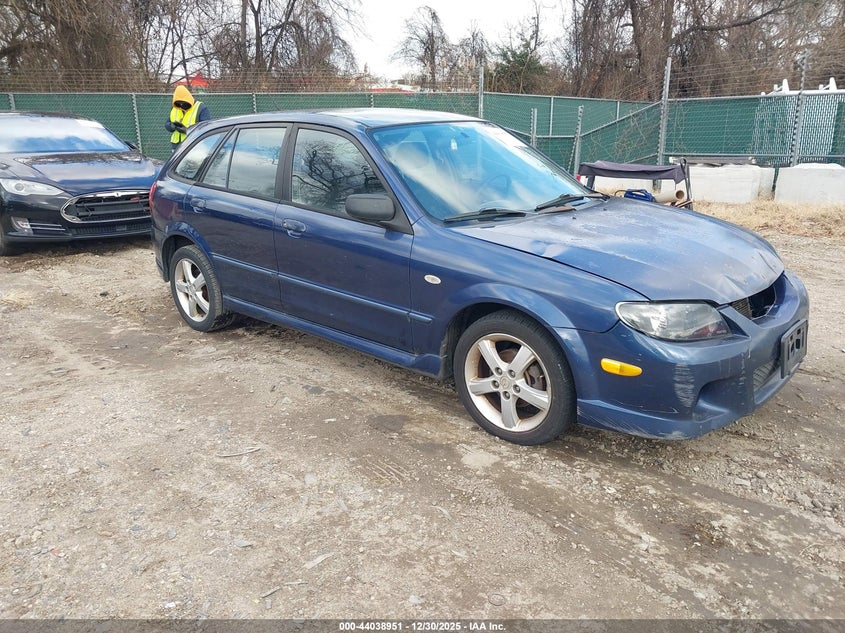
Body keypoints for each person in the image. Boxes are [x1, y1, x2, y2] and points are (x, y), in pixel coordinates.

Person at [165, 85, 211, 152]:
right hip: (176, 146)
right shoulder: (175, 108)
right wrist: (172, 126)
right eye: (179, 104)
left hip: (193, 145)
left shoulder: (201, 108)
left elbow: (206, 129)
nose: (181, 106)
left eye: (183, 103)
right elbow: (167, 124)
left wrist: (187, 130)